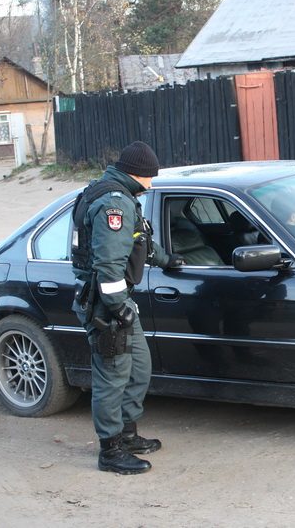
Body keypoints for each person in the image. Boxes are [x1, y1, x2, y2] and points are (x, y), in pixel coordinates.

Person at [71, 141, 183, 475]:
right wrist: (120, 308)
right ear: (140, 174)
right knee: (112, 377)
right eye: (151, 177)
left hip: (116, 302)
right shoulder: (113, 203)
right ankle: (111, 450)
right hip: (107, 307)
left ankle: (128, 434)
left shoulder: (118, 194)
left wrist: (168, 260)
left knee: (139, 367)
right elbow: (108, 266)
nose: (152, 184)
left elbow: (140, 240)